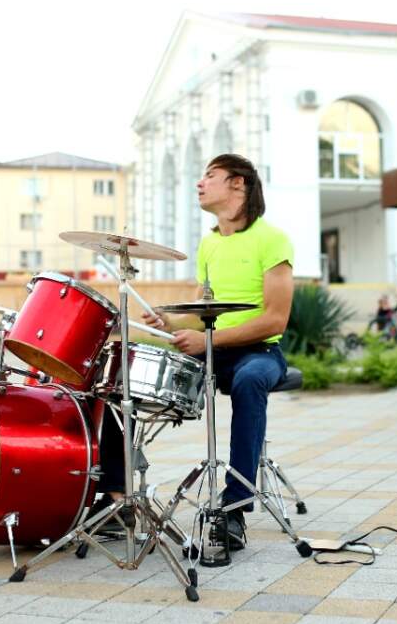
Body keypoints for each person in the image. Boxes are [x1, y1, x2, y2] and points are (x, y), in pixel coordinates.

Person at [98, 153, 293, 552]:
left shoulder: (272, 239)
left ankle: (234, 509)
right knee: (126, 375)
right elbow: (204, 313)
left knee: (250, 378)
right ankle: (117, 499)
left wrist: (208, 341)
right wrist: (170, 322)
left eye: (210, 176)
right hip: (214, 346)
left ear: (238, 184)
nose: (200, 183)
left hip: (260, 351)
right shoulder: (208, 244)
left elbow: (275, 321)